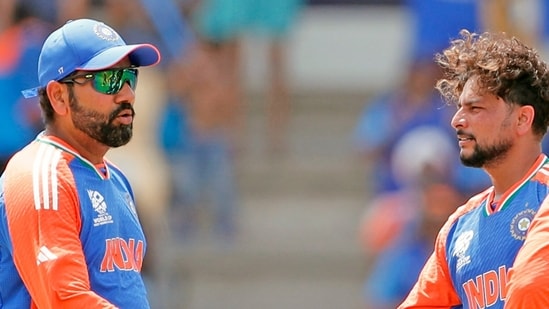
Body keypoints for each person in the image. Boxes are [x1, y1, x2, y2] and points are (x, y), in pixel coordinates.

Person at [0, 18, 161, 308]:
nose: (127, 94)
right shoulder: (42, 175)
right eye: (108, 80)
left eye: (129, 76)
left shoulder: (116, 179)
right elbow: (65, 299)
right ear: (59, 96)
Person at [398, 29, 549, 308]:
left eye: (475, 108)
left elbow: (531, 288)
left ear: (522, 119)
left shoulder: (544, 197)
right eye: (459, 108)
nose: (457, 120)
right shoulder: (458, 227)